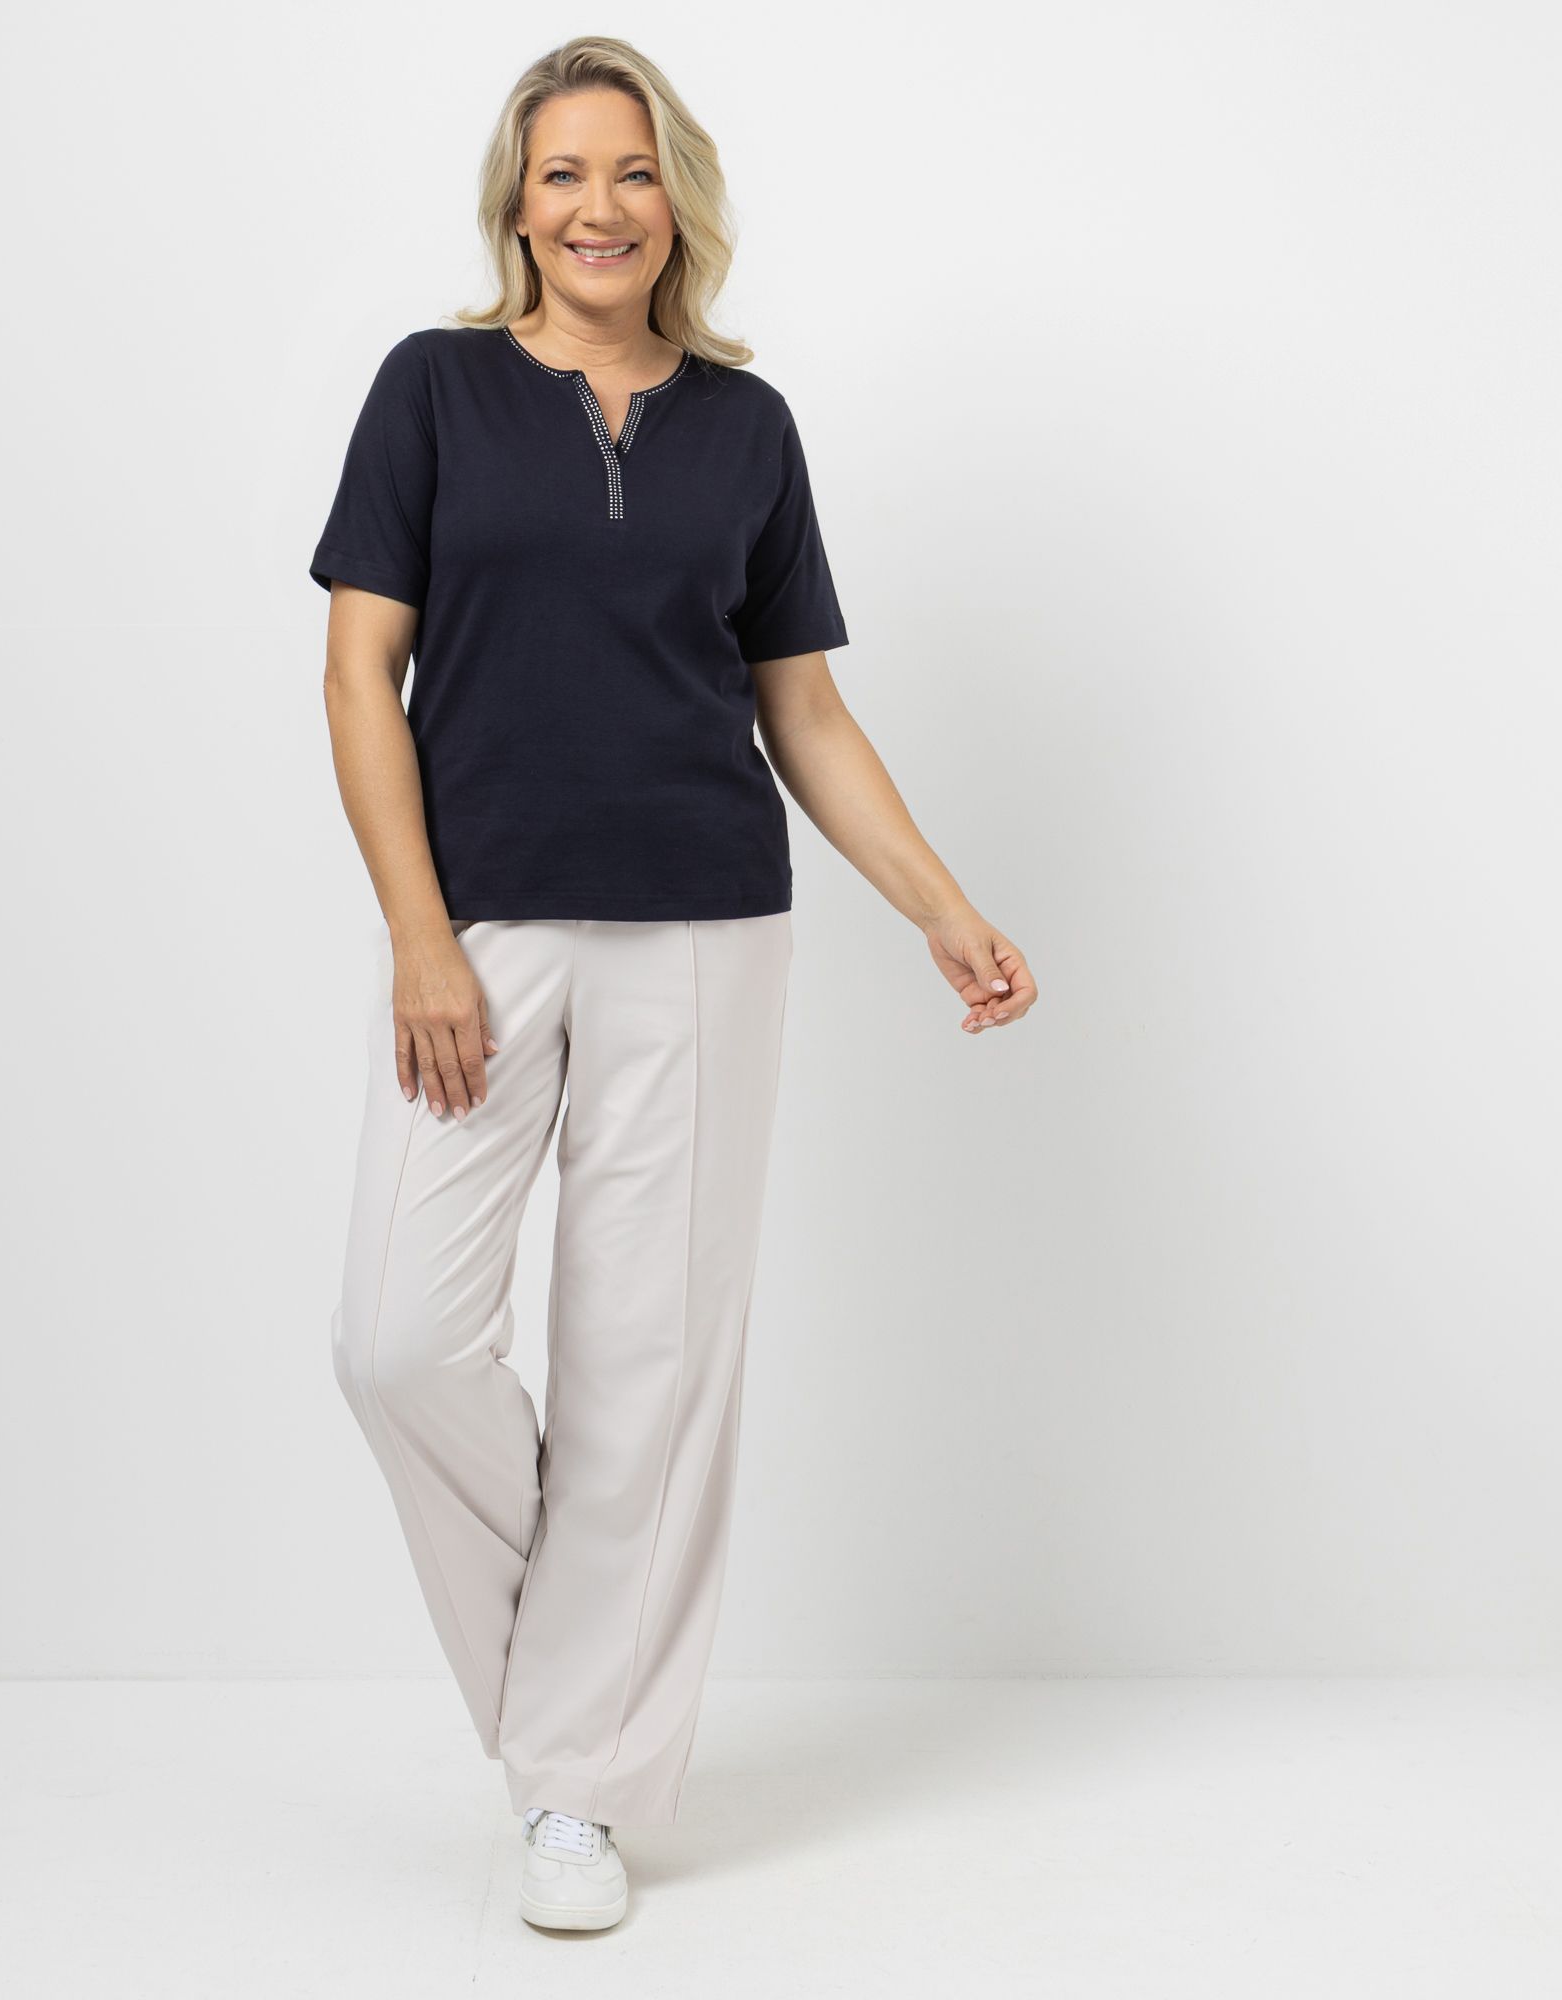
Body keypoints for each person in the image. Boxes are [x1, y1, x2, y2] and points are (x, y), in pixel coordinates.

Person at [311, 36, 1038, 1934]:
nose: (598, 207)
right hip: (482, 934)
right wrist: (417, 934)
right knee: (396, 1340)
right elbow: (357, 676)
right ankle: (585, 1692)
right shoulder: (434, 390)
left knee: (648, 1368)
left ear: (677, 199)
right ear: (515, 204)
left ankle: (580, 1790)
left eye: (631, 172)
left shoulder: (747, 427)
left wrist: (943, 908)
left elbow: (804, 709)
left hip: (709, 932)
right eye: (562, 174)